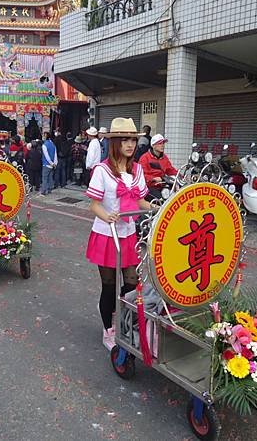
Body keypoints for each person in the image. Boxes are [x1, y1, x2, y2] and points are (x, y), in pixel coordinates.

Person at [85, 117, 153, 350]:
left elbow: (141, 200)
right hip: (107, 234)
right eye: (124, 140)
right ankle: (108, 329)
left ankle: (122, 314)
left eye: (133, 140)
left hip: (129, 232)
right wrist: (108, 216)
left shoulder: (137, 169)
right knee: (109, 284)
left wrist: (157, 209)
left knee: (132, 282)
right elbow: (94, 204)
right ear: (114, 142)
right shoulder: (102, 170)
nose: (130, 144)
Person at [139, 134, 178, 201]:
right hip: (150, 187)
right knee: (161, 200)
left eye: (163, 143)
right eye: (159, 143)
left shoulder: (164, 157)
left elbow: (170, 170)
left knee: (175, 198)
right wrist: (153, 178)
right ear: (153, 145)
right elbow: (141, 175)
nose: (162, 145)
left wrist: (180, 176)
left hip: (163, 186)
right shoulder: (144, 158)